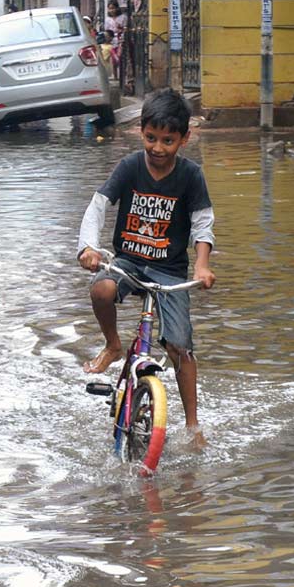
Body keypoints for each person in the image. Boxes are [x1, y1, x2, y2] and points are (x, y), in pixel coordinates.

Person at [77, 88, 216, 447]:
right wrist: (88, 248)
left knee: (180, 348)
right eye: (151, 138)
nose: (158, 148)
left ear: (184, 139)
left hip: (169, 271)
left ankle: (192, 425)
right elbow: (98, 206)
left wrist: (202, 267)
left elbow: (203, 224)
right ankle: (112, 346)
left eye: (168, 141)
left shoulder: (191, 176)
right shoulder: (128, 167)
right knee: (101, 289)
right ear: (140, 132)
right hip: (128, 263)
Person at [103, 0, 126, 74]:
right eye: (109, 9)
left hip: (121, 40)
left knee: (120, 58)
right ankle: (115, 75)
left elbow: (125, 28)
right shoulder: (107, 19)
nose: (111, 10)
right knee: (113, 59)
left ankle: (122, 75)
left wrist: (121, 29)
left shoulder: (123, 17)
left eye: (113, 8)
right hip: (111, 41)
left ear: (117, 8)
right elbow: (107, 30)